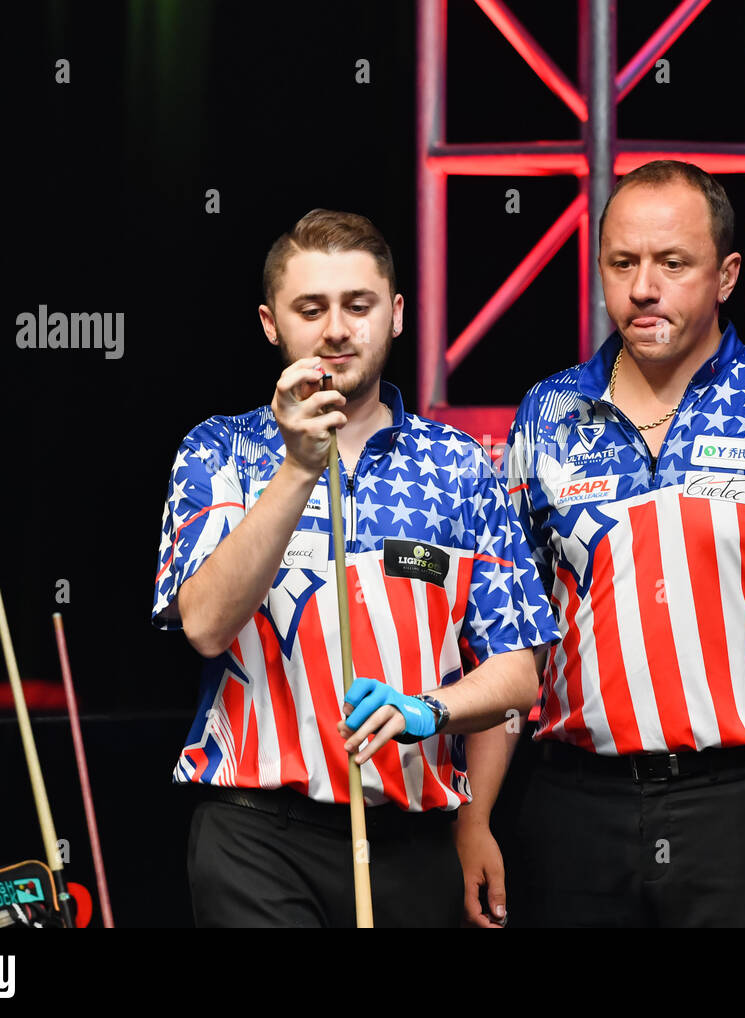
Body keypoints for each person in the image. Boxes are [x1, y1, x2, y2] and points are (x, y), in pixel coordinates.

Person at [455, 160, 745, 928]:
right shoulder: (548, 412)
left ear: (726, 275)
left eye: (672, 263)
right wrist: (475, 814)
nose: (643, 288)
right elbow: (509, 640)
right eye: (622, 263)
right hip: (570, 808)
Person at [150, 209, 559, 927]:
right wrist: (298, 467)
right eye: (311, 309)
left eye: (358, 305)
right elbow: (207, 626)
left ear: (396, 315)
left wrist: (426, 712)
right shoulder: (218, 451)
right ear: (271, 323)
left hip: (413, 840)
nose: (336, 329)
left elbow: (518, 672)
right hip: (256, 836)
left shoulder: (458, 466)